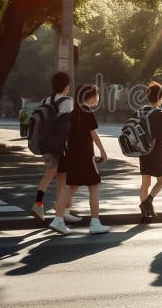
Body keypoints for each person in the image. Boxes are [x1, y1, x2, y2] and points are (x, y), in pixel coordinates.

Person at [49, 85, 110, 235]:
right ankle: (95, 222)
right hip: (85, 156)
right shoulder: (87, 111)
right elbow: (93, 134)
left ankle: (57, 219)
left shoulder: (73, 112)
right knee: (94, 186)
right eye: (97, 94)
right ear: (90, 96)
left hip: (72, 156)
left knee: (71, 186)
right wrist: (102, 151)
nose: (98, 98)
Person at [29, 72, 80, 224]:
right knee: (57, 175)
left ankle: (56, 208)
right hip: (58, 146)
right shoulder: (67, 101)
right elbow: (67, 125)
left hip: (44, 143)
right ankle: (49, 207)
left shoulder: (46, 100)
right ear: (67, 86)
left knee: (56, 175)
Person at [139, 81, 162, 223]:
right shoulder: (160, 114)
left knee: (145, 182)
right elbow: (161, 138)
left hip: (143, 150)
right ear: (160, 97)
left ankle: (145, 214)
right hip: (156, 152)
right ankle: (148, 202)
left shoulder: (139, 111)